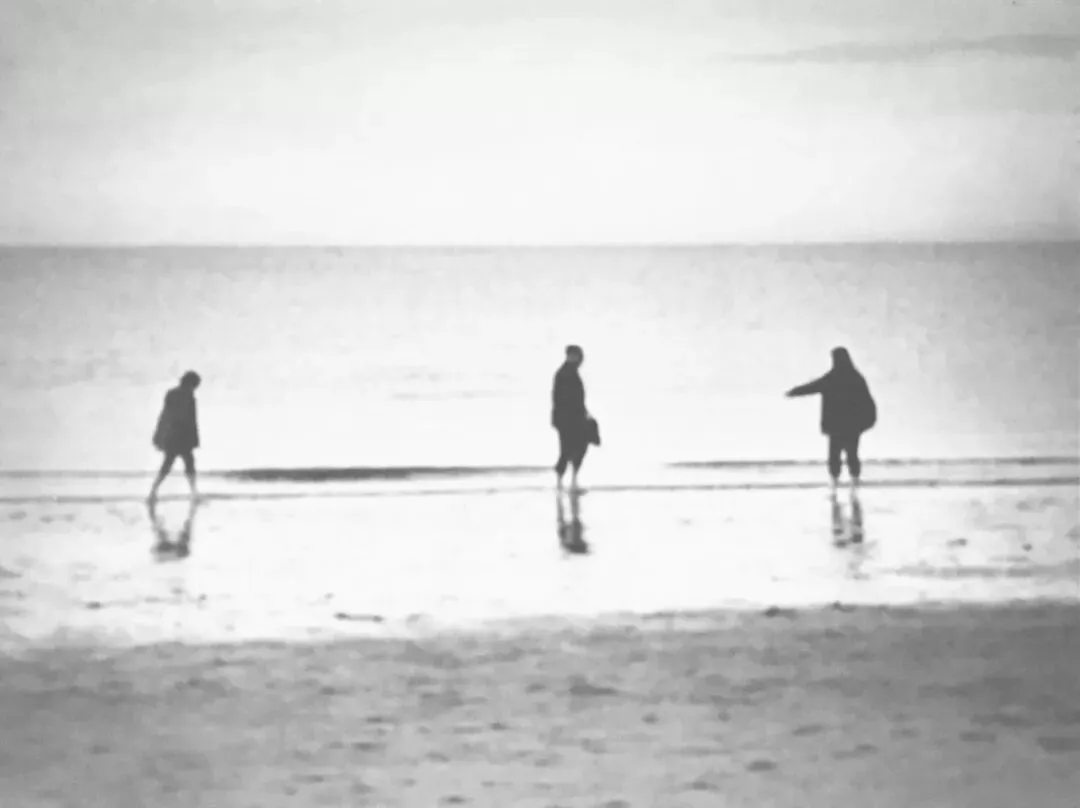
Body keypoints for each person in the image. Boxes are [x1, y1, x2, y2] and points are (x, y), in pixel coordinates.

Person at [785, 347, 876, 493]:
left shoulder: (832, 378)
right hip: (852, 426)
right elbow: (868, 402)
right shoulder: (856, 378)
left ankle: (834, 487)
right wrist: (867, 421)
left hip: (836, 427)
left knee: (834, 456)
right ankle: (854, 486)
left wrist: (794, 392)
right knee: (852, 455)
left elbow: (812, 387)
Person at [148, 370, 202, 502]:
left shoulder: (172, 394)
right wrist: (194, 439)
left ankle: (153, 492)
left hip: (172, 436)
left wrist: (159, 435)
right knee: (187, 464)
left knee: (168, 464)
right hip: (182, 437)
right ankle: (194, 493)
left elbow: (164, 416)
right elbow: (191, 421)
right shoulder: (189, 398)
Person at [551, 344, 594, 490]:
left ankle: (571, 481)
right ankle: (562, 481)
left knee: (576, 448)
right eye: (579, 356)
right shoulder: (564, 374)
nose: (581, 360)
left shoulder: (570, 372)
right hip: (568, 419)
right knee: (568, 449)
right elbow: (560, 398)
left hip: (572, 417)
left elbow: (576, 398)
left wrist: (584, 412)